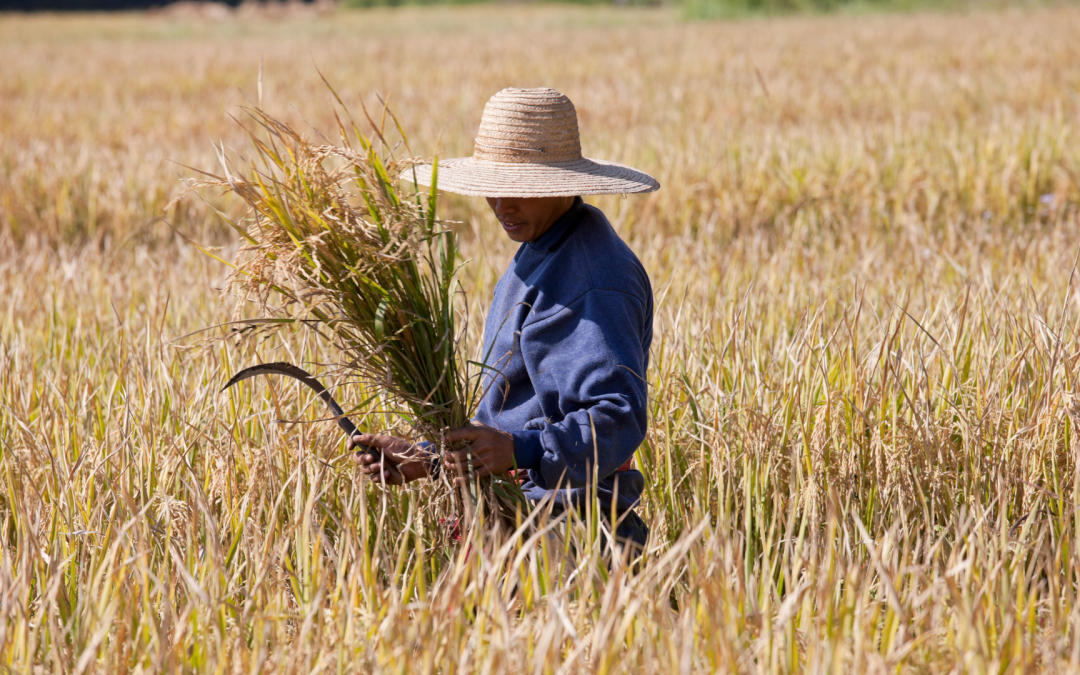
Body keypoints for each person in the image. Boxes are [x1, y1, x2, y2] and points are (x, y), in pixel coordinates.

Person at [349, 87, 659, 558]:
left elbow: (618, 416)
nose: (501, 204)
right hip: (518, 522)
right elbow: (516, 418)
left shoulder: (594, 278)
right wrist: (430, 459)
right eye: (493, 186)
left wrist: (522, 451)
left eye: (519, 186)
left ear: (560, 183)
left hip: (573, 536)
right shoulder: (540, 250)